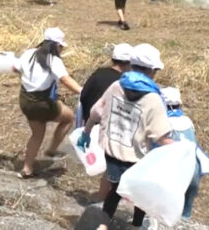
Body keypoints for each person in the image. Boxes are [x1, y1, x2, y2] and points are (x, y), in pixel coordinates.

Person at [79, 43, 174, 229]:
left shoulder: (116, 86)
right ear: (152, 71)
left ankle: (103, 226)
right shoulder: (153, 99)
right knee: (142, 196)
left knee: (115, 190)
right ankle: (136, 226)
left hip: (112, 154)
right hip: (136, 159)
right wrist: (179, 149)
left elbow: (96, 111)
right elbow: (160, 136)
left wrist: (86, 131)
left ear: (132, 65)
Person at [12, 27, 82, 178]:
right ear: (56, 46)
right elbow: (64, 79)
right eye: (61, 46)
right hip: (41, 102)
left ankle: (27, 168)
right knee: (69, 117)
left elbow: (15, 68)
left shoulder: (29, 53)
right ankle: (52, 149)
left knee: (37, 134)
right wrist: (82, 90)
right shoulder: (53, 60)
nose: (62, 49)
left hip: (25, 101)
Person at [78, 43, 133, 200]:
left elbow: (83, 95)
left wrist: (86, 123)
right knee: (113, 169)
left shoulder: (98, 73)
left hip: (92, 122)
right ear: (129, 63)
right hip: (111, 129)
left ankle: (104, 199)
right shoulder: (123, 83)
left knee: (108, 169)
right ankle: (105, 201)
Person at [161, 87, 202, 221]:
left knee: (166, 216)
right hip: (194, 173)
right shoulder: (188, 121)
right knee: (185, 217)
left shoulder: (165, 123)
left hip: (176, 176)